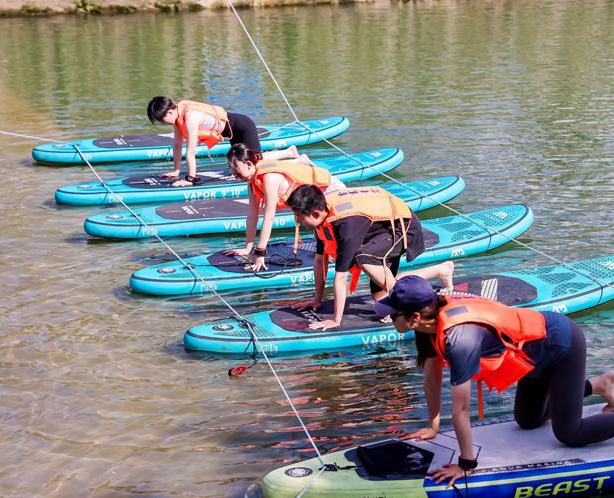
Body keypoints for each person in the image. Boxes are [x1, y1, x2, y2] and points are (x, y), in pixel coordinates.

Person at [374, 275, 614, 488]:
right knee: (527, 420)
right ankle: (598, 385)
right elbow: (431, 374)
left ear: (414, 316)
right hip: (534, 356)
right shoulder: (429, 323)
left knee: (570, 433)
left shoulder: (458, 337)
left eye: (393, 313)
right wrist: (432, 425)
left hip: (560, 344)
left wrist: (466, 464)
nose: (389, 317)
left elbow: (462, 409)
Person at [285, 184, 455, 330]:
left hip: (403, 228)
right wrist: (317, 299)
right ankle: (441, 270)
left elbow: (341, 276)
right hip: (382, 231)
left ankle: (401, 305)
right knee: (379, 296)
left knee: (363, 258)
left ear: (315, 214)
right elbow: (319, 260)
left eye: (299, 217)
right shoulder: (323, 218)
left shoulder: (345, 226)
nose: (297, 222)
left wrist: (336, 320)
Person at [221, 143, 346, 272]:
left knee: (328, 243)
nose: (231, 171)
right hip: (312, 198)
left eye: (234, 166)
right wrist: (248, 248)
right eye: (229, 167)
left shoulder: (270, 179)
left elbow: (269, 218)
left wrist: (260, 253)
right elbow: (253, 217)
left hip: (331, 190)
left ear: (248, 165)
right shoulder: (252, 182)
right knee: (320, 241)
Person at [146, 96, 309, 187]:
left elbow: (190, 151)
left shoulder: (189, 117)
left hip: (243, 127)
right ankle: (289, 152)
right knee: (241, 170)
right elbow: (177, 145)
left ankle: (297, 158)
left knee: (255, 164)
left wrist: (190, 178)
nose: (162, 123)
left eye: (161, 120)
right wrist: (175, 171)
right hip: (232, 133)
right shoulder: (178, 118)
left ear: (169, 112)